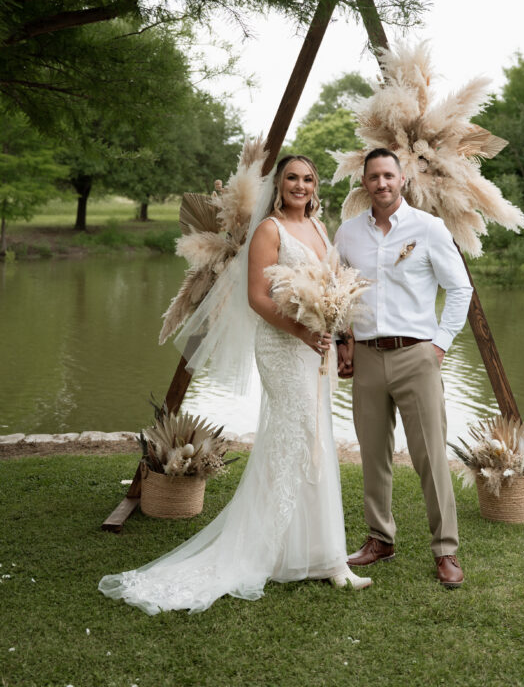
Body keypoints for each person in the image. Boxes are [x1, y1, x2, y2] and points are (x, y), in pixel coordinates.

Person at [98, 155, 370, 614]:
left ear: (314, 186)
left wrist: (334, 328)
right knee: (295, 438)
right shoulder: (270, 230)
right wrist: (304, 331)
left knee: (317, 439)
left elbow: (330, 286)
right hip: (283, 348)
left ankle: (322, 556)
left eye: (307, 179)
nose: (300, 186)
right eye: (291, 179)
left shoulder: (321, 229)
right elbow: (258, 298)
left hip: (314, 351)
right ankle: (269, 552)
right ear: (279, 185)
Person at [334, 148, 473, 588]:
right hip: (368, 357)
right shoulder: (348, 234)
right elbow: (338, 293)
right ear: (364, 183)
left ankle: (446, 550)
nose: (382, 183)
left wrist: (440, 346)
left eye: (389, 175)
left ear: (402, 179)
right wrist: (344, 340)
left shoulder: (429, 228)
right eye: (373, 177)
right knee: (373, 454)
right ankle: (380, 538)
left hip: (418, 356)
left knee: (430, 454)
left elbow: (460, 288)